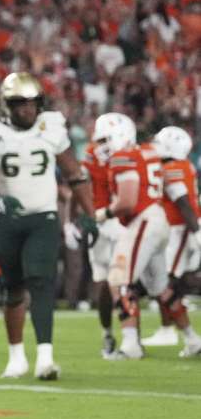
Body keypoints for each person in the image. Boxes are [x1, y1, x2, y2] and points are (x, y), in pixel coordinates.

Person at [0, 73, 96, 379]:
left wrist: (90, 213)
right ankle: (16, 357)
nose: (26, 110)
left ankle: (45, 357)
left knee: (41, 282)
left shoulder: (50, 125)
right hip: (8, 220)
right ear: (6, 105)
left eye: (31, 103)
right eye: (19, 104)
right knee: (12, 289)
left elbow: (74, 173)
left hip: (43, 216)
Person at [92, 113, 169, 360]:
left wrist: (103, 213)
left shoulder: (124, 156)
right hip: (157, 217)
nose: (101, 146)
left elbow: (127, 201)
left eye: (105, 139)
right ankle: (192, 338)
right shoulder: (148, 152)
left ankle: (131, 344)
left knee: (119, 280)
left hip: (142, 220)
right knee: (162, 289)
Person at [147, 127, 201, 357]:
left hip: (179, 231)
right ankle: (183, 335)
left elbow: (183, 203)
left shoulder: (172, 168)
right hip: (180, 229)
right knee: (172, 286)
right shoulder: (184, 165)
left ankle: (188, 337)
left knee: (167, 286)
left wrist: (196, 231)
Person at [80, 137, 119, 357]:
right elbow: (80, 183)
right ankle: (108, 333)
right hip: (102, 220)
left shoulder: (129, 152)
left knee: (120, 281)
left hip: (123, 219)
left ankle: (130, 337)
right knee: (105, 282)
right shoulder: (92, 152)